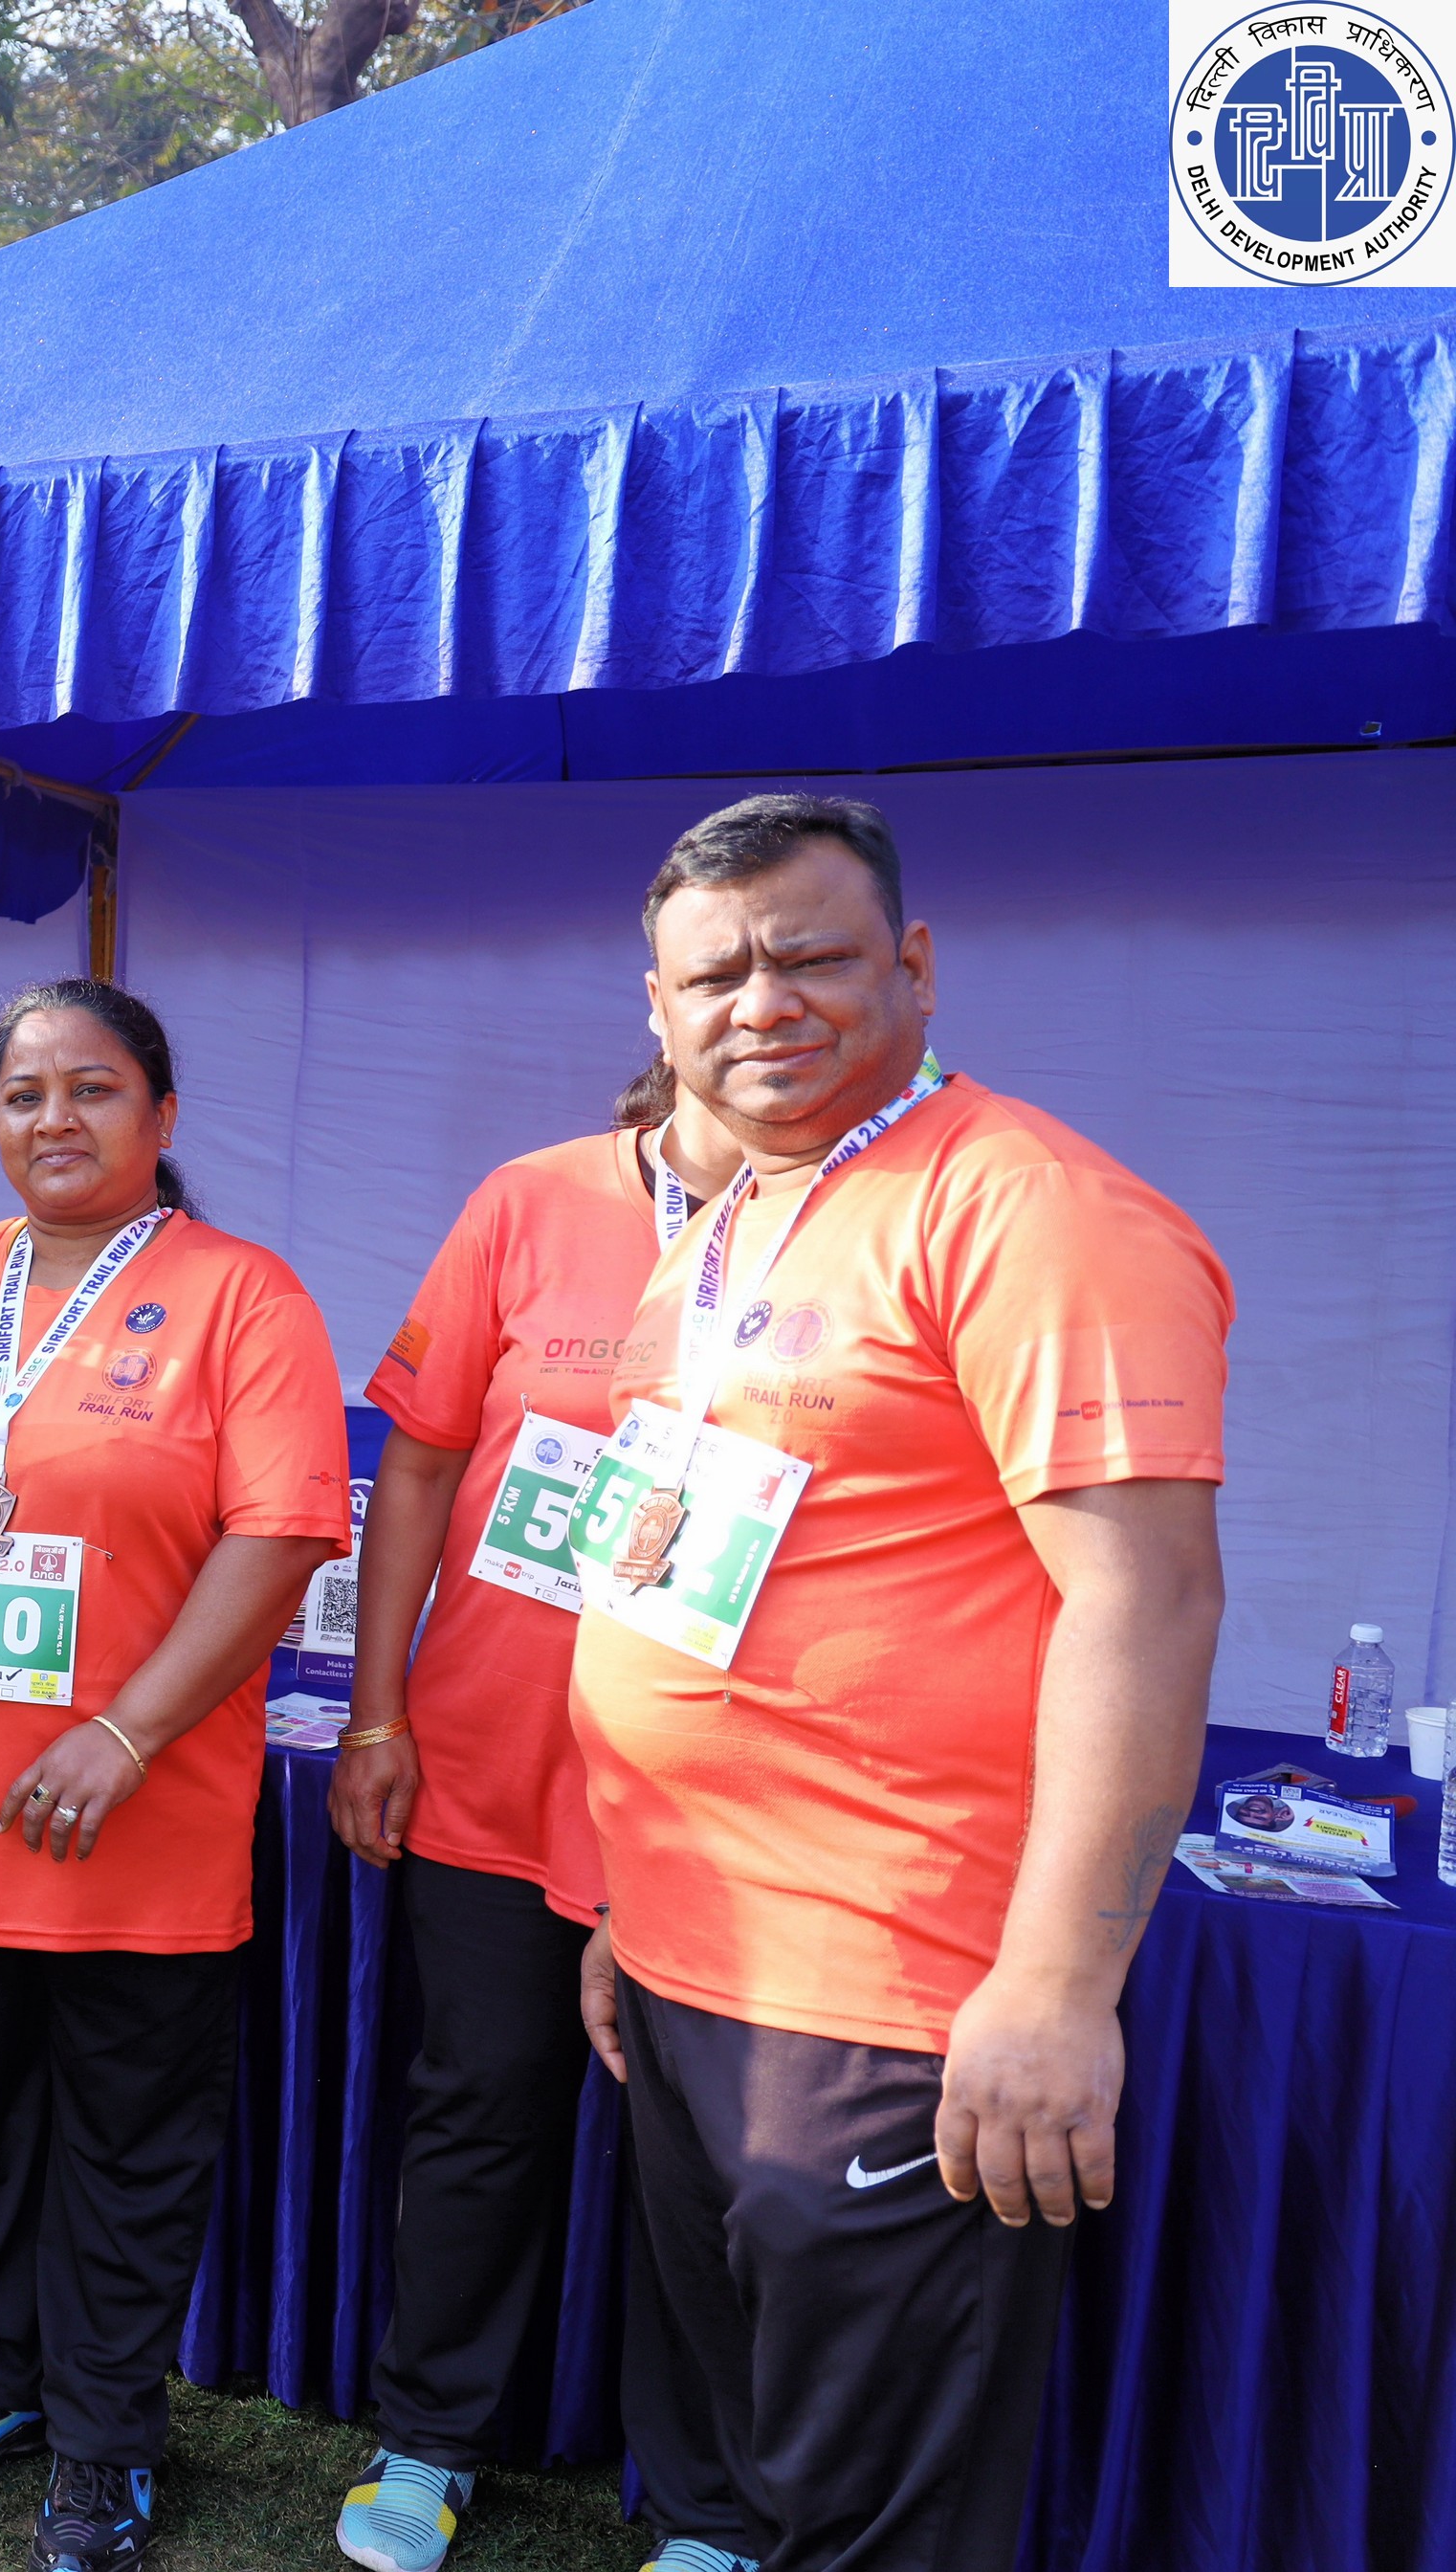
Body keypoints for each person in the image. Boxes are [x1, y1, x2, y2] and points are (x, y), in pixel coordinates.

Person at [572, 795, 1227, 2572]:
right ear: (656, 1006)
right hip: (697, 1953)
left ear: (915, 965)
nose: (760, 1003)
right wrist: (632, 1896)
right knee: (756, 2459)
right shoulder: (734, 1220)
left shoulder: (1029, 1207)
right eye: (715, 974)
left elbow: (1147, 1600)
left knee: (875, 2513)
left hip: (896, 1984)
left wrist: (1056, 1985)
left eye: (809, 956)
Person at [0, 979, 349, 2572]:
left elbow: (282, 1533)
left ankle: (104, 2437)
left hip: (134, 1831)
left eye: (92, 1087)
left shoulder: (243, 1296)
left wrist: (126, 1731)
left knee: (126, 2147)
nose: (55, 1117)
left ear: (160, 1114)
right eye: (24, 1091)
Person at [322, 1063, 748, 2572]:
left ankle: (710, 2508)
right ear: (666, 1021)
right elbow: (419, 1465)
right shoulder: (531, 1200)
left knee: (702, 2150)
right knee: (480, 2107)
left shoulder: (859, 1225)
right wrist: (378, 1714)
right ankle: (430, 2438)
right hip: (498, 1758)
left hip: (714, 1793)